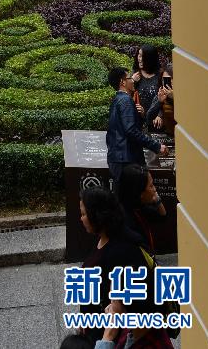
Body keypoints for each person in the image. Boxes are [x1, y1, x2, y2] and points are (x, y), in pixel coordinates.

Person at [78, 187, 173, 348]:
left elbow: (143, 307)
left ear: (98, 216)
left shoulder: (123, 253)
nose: (81, 219)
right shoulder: (108, 237)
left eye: (84, 214)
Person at [106, 67, 167, 186]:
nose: (132, 80)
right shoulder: (126, 101)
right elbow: (131, 130)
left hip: (117, 158)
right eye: (129, 78)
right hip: (127, 160)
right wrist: (156, 146)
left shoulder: (117, 100)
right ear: (122, 82)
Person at [117, 164, 166, 250]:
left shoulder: (139, 207)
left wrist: (157, 200)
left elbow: (162, 217)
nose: (154, 189)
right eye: (151, 186)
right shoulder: (125, 221)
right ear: (140, 193)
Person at [131, 47, 161, 122]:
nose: (140, 59)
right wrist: (132, 80)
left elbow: (164, 99)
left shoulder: (160, 75)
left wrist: (160, 115)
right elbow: (125, 93)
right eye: (139, 55)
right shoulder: (135, 74)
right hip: (137, 120)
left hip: (155, 122)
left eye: (143, 57)